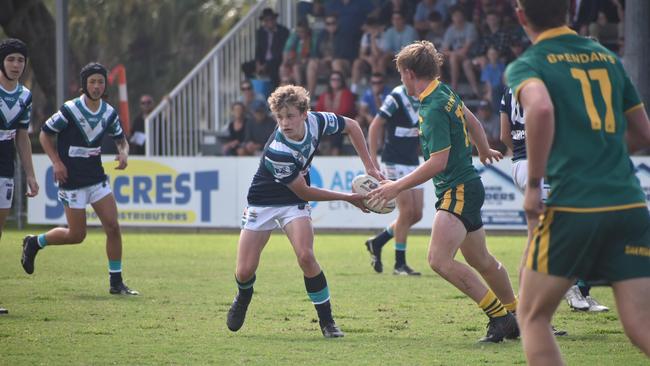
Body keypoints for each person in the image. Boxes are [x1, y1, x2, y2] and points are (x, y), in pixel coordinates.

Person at [506, 0, 650, 363]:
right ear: (570, 10)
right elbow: (643, 133)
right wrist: (600, 152)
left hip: (574, 205)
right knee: (640, 325)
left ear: (521, 15)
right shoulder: (606, 57)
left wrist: (535, 185)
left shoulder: (529, 64)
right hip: (629, 205)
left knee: (533, 316)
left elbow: (539, 108)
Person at [367, 41, 519, 343]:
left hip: (457, 190)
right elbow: (472, 119)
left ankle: (501, 319)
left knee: (438, 259)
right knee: (483, 261)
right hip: (467, 186)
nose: (400, 79)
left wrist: (396, 185)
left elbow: (438, 163)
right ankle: (516, 316)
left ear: (409, 73)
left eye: (400, 74)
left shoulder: (433, 106)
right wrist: (483, 148)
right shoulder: (443, 91)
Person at [226, 84, 383, 338]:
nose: (284, 123)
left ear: (304, 114)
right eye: (279, 117)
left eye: (289, 116)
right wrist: (349, 198)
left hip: (292, 202)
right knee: (244, 271)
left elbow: (352, 126)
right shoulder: (278, 151)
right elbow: (305, 192)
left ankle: (327, 322)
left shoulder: (318, 121)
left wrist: (370, 167)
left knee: (306, 256)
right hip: (263, 200)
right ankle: (243, 295)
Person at [21, 62, 138, 296]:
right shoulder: (70, 110)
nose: (96, 86)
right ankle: (35, 242)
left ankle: (116, 283)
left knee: (113, 227)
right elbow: (45, 134)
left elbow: (121, 139)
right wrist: (56, 162)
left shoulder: (108, 112)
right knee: (77, 235)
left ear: (105, 85)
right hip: (72, 180)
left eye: (100, 82)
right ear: (84, 85)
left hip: (96, 178)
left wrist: (123, 152)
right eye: (92, 82)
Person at [500, 87, 609, 314]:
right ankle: (566, 290)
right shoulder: (547, 83)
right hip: (544, 164)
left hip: (521, 164)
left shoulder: (510, 89)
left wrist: (522, 153)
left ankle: (576, 290)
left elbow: (504, 135)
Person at [365, 83, 423, 276]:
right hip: (394, 160)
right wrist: (372, 160)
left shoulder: (427, 94)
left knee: (416, 214)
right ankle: (399, 264)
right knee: (406, 212)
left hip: (413, 161)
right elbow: (375, 126)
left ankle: (377, 242)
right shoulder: (397, 96)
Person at [0, 38, 39, 315]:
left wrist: (30, 174)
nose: (16, 65)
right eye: (11, 59)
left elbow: (23, 136)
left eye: (21, 60)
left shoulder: (25, 96)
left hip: (5, 163)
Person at [241, 8, 290, 88]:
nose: (269, 22)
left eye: (271, 19)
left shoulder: (283, 31)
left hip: (276, 60)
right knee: (245, 66)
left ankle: (276, 91)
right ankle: (251, 88)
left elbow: (281, 51)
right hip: (263, 61)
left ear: (275, 19)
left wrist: (266, 65)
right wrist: (258, 63)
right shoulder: (261, 31)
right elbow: (258, 49)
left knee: (273, 67)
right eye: (266, 20)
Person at [315, 71, 356, 155]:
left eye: (338, 79)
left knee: (336, 132)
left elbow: (346, 110)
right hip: (326, 123)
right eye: (333, 79)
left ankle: (334, 156)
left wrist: (330, 118)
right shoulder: (324, 95)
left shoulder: (347, 94)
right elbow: (318, 110)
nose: (335, 81)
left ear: (342, 81)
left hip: (342, 123)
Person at [441, 6, 480, 97]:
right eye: (455, 16)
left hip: (471, 56)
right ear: (452, 18)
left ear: (463, 16)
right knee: (439, 58)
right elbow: (444, 49)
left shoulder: (470, 27)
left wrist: (451, 53)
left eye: (459, 15)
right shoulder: (450, 29)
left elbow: (465, 50)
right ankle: (439, 90)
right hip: (455, 57)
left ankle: (454, 88)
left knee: (454, 58)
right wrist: (451, 53)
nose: (457, 18)